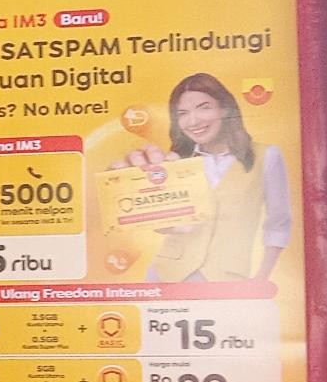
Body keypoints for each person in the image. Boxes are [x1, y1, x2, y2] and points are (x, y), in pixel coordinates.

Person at [116, 73, 291, 282]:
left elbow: (278, 223)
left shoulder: (266, 156)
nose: (193, 121)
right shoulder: (176, 161)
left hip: (227, 277)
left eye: (204, 108)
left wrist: (262, 278)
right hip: (166, 274)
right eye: (183, 113)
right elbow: (164, 223)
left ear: (225, 109)